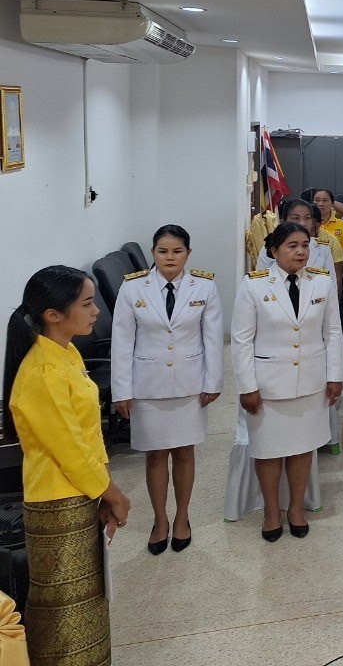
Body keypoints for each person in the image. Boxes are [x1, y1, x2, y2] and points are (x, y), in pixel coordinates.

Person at [5, 267, 131, 666]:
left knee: (86, 601)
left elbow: (88, 436)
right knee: (62, 606)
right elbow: (70, 450)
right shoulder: (42, 371)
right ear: (53, 314)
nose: (96, 311)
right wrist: (114, 494)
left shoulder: (66, 353)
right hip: (57, 502)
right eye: (87, 304)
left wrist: (103, 487)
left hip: (81, 491)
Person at [110, 225, 222, 555]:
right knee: (156, 455)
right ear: (153, 253)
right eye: (162, 251)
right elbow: (122, 341)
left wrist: (213, 381)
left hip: (190, 384)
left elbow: (213, 337)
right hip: (148, 386)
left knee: (185, 452)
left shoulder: (204, 286)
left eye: (177, 251)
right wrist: (121, 391)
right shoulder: (133, 287)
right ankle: (160, 520)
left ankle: (182, 516)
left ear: (188, 253)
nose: (169, 257)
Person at [231, 223, 343, 540]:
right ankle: (271, 511)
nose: (300, 251)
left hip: (310, 382)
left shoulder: (321, 282)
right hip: (268, 386)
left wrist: (335, 375)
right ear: (274, 251)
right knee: (268, 451)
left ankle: (295, 508)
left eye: (305, 245)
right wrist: (247, 387)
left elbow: (333, 331)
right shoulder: (253, 285)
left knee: (302, 449)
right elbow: (241, 341)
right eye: (292, 246)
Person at [257, 199, 336, 274]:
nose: (302, 223)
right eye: (295, 218)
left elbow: (331, 281)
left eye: (307, 218)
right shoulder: (270, 249)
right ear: (283, 222)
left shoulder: (323, 248)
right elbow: (262, 281)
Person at [314, 188, 343, 331]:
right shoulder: (308, 223)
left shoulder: (341, 224)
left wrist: (334, 263)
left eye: (325, 200)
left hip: (336, 269)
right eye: (317, 200)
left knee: (337, 312)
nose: (320, 204)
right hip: (313, 272)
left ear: (332, 203)